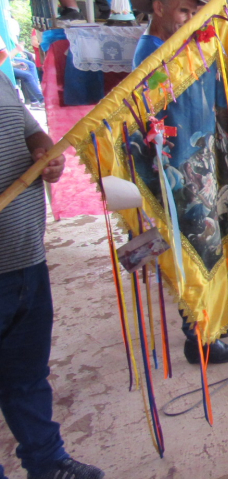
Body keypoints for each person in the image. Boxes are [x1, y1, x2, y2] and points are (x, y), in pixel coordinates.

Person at [129, 0, 228, 365]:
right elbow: (158, 98)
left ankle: (211, 323)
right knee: (190, 251)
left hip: (205, 162)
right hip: (176, 171)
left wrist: (222, 28)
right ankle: (197, 337)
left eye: (193, 10)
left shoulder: (194, 42)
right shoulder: (149, 53)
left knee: (212, 246)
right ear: (158, 8)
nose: (189, 19)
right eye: (184, 10)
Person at [1, 68, 105, 478]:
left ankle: (46, 462)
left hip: (26, 256)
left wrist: (48, 156)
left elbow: (33, 135)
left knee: (27, 376)